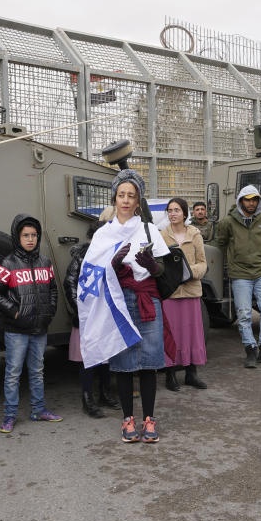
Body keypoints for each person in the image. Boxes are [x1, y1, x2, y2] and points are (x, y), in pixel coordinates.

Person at [90, 168, 169, 443]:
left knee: (149, 361)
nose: (125, 200)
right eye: (121, 195)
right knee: (123, 362)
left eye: (131, 196)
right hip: (118, 301)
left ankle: (149, 419)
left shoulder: (149, 229)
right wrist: (110, 266)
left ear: (138, 201)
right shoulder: (103, 234)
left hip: (148, 300)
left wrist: (153, 266)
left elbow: (164, 272)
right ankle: (127, 419)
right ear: (114, 198)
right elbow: (91, 275)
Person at [0, 214, 62, 433]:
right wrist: (14, 312)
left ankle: (38, 410)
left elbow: (53, 289)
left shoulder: (45, 262)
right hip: (16, 330)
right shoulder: (7, 263)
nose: (30, 239)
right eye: (25, 235)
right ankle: (10, 415)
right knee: (13, 373)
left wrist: (49, 311)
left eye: (34, 235)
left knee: (37, 371)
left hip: (40, 328)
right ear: (17, 237)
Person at [215, 185, 261, 368]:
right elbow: (221, 243)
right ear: (240, 201)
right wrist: (233, 260)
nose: (251, 203)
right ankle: (250, 349)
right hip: (239, 274)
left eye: (255, 199)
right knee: (244, 314)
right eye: (247, 199)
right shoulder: (227, 222)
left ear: (259, 201)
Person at [65, 221, 118, 417]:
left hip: (105, 316)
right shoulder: (80, 258)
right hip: (87, 316)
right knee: (88, 360)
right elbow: (69, 283)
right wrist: (81, 310)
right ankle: (87, 399)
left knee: (105, 359)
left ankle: (105, 393)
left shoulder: (112, 257)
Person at [160, 197, 208, 391]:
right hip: (170, 292)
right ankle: (170, 375)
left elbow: (202, 262)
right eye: (170, 210)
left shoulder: (195, 234)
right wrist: (172, 276)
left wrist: (190, 274)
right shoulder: (161, 235)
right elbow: (159, 263)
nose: (173, 213)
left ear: (185, 214)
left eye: (177, 210)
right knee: (172, 334)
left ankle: (191, 374)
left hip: (191, 290)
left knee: (191, 334)